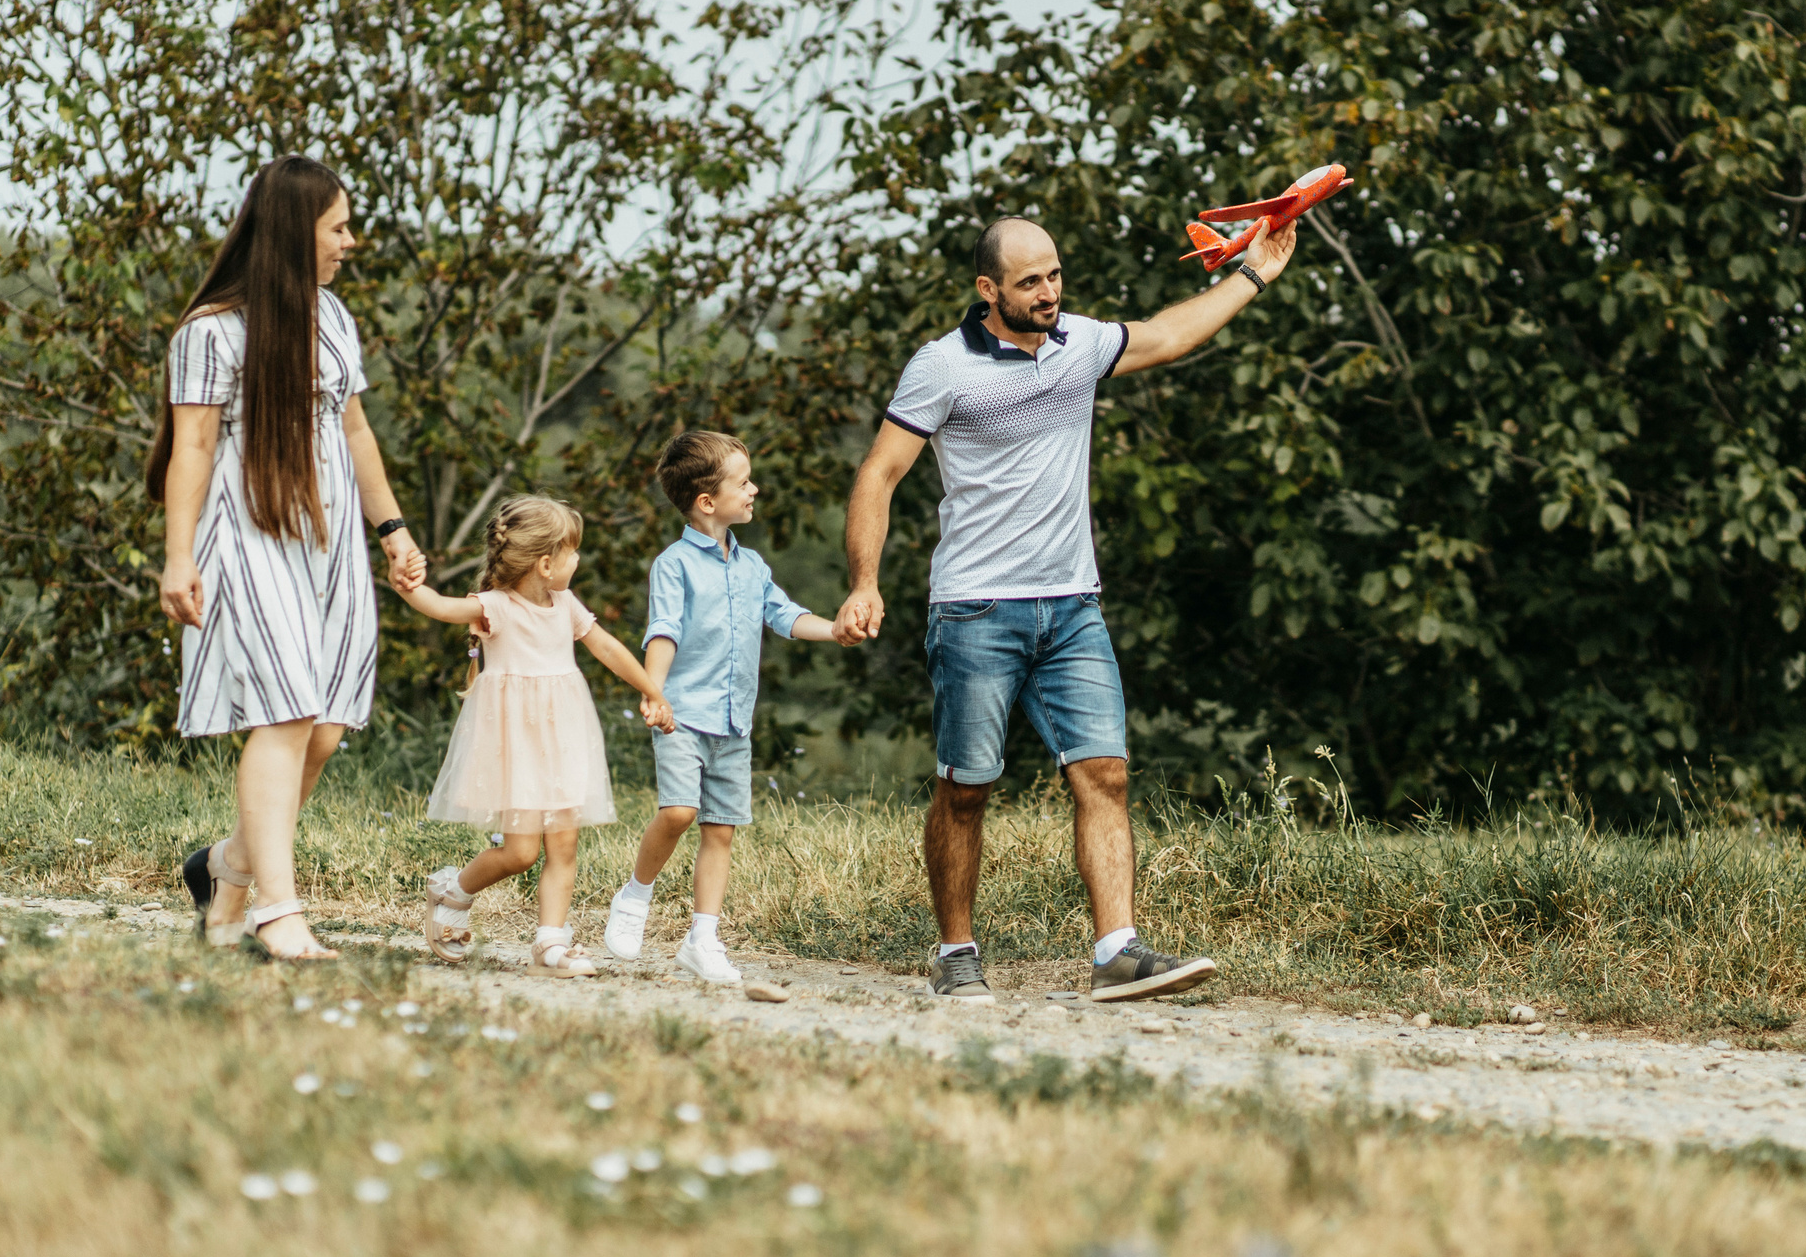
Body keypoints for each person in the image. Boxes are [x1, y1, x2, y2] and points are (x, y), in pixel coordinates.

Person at [833, 213, 1302, 1003]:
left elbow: (1162, 336)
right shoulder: (942, 367)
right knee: (967, 787)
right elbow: (878, 475)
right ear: (988, 289)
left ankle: (1117, 949)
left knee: (1106, 774)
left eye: (1054, 275)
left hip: (1073, 607)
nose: (1049, 292)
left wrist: (1252, 274)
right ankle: (955, 951)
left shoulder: (1078, 342)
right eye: (1029, 282)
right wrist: (865, 580)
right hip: (976, 609)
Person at [150, 155, 428, 963]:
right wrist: (178, 557)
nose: (351, 240)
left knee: (327, 726)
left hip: (335, 541)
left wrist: (393, 529)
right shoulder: (210, 332)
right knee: (284, 713)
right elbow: (192, 448)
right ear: (294, 231)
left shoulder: (333, 318)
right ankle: (279, 912)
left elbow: (354, 430)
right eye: (338, 226)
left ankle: (225, 867)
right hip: (248, 535)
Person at [603, 430, 853, 983]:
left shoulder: (753, 566)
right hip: (682, 713)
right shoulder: (673, 565)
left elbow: (786, 617)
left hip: (734, 720)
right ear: (706, 502)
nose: (755, 489)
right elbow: (663, 630)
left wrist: (835, 629)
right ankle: (634, 897)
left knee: (720, 829)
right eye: (744, 482)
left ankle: (703, 938)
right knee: (679, 812)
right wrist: (654, 690)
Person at [402, 495, 674, 977]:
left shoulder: (566, 603)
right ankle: (454, 889)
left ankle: (551, 943)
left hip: (563, 739)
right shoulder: (495, 607)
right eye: (573, 552)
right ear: (546, 564)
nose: (578, 560)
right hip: (516, 747)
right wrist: (410, 588)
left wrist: (652, 690)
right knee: (521, 853)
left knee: (564, 846)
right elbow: (440, 607)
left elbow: (607, 647)